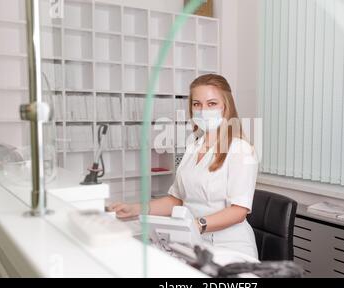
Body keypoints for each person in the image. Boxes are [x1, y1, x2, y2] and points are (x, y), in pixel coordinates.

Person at [108, 74, 259, 258]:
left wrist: (195, 225)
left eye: (212, 103)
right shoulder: (193, 147)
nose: (203, 111)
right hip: (192, 242)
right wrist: (136, 208)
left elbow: (238, 211)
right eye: (197, 104)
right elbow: (177, 200)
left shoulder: (240, 149)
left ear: (226, 106)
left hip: (228, 246)